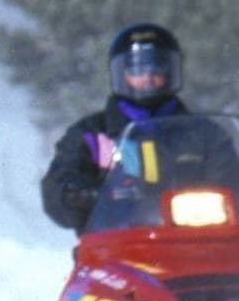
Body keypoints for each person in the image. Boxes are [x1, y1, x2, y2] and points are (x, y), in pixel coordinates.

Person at [41, 23, 190, 231]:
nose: (148, 77)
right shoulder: (91, 134)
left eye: (157, 68)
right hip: (114, 245)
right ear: (122, 75)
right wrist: (80, 195)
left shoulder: (201, 135)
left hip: (194, 241)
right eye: (138, 70)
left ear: (171, 72)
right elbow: (57, 189)